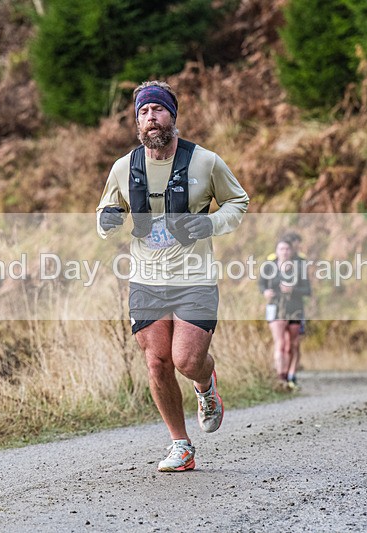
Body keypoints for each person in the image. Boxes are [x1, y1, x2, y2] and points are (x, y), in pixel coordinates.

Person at [96, 80, 249, 472]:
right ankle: (180, 445)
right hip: (146, 278)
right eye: (144, 112)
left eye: (158, 110)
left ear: (172, 116)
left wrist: (211, 224)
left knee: (186, 359)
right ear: (137, 121)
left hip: (195, 276)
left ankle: (205, 383)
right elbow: (104, 217)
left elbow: (238, 201)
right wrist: (108, 220)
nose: (151, 118)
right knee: (157, 362)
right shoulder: (123, 167)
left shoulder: (205, 161)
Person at [258, 233, 311, 390]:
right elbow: (261, 284)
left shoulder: (299, 267)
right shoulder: (269, 266)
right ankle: (280, 376)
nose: (284, 251)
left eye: (287, 249)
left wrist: (293, 289)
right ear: (277, 250)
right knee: (280, 343)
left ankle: (291, 375)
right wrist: (265, 292)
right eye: (281, 248)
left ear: (291, 251)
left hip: (295, 308)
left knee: (292, 345)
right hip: (275, 307)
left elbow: (308, 290)